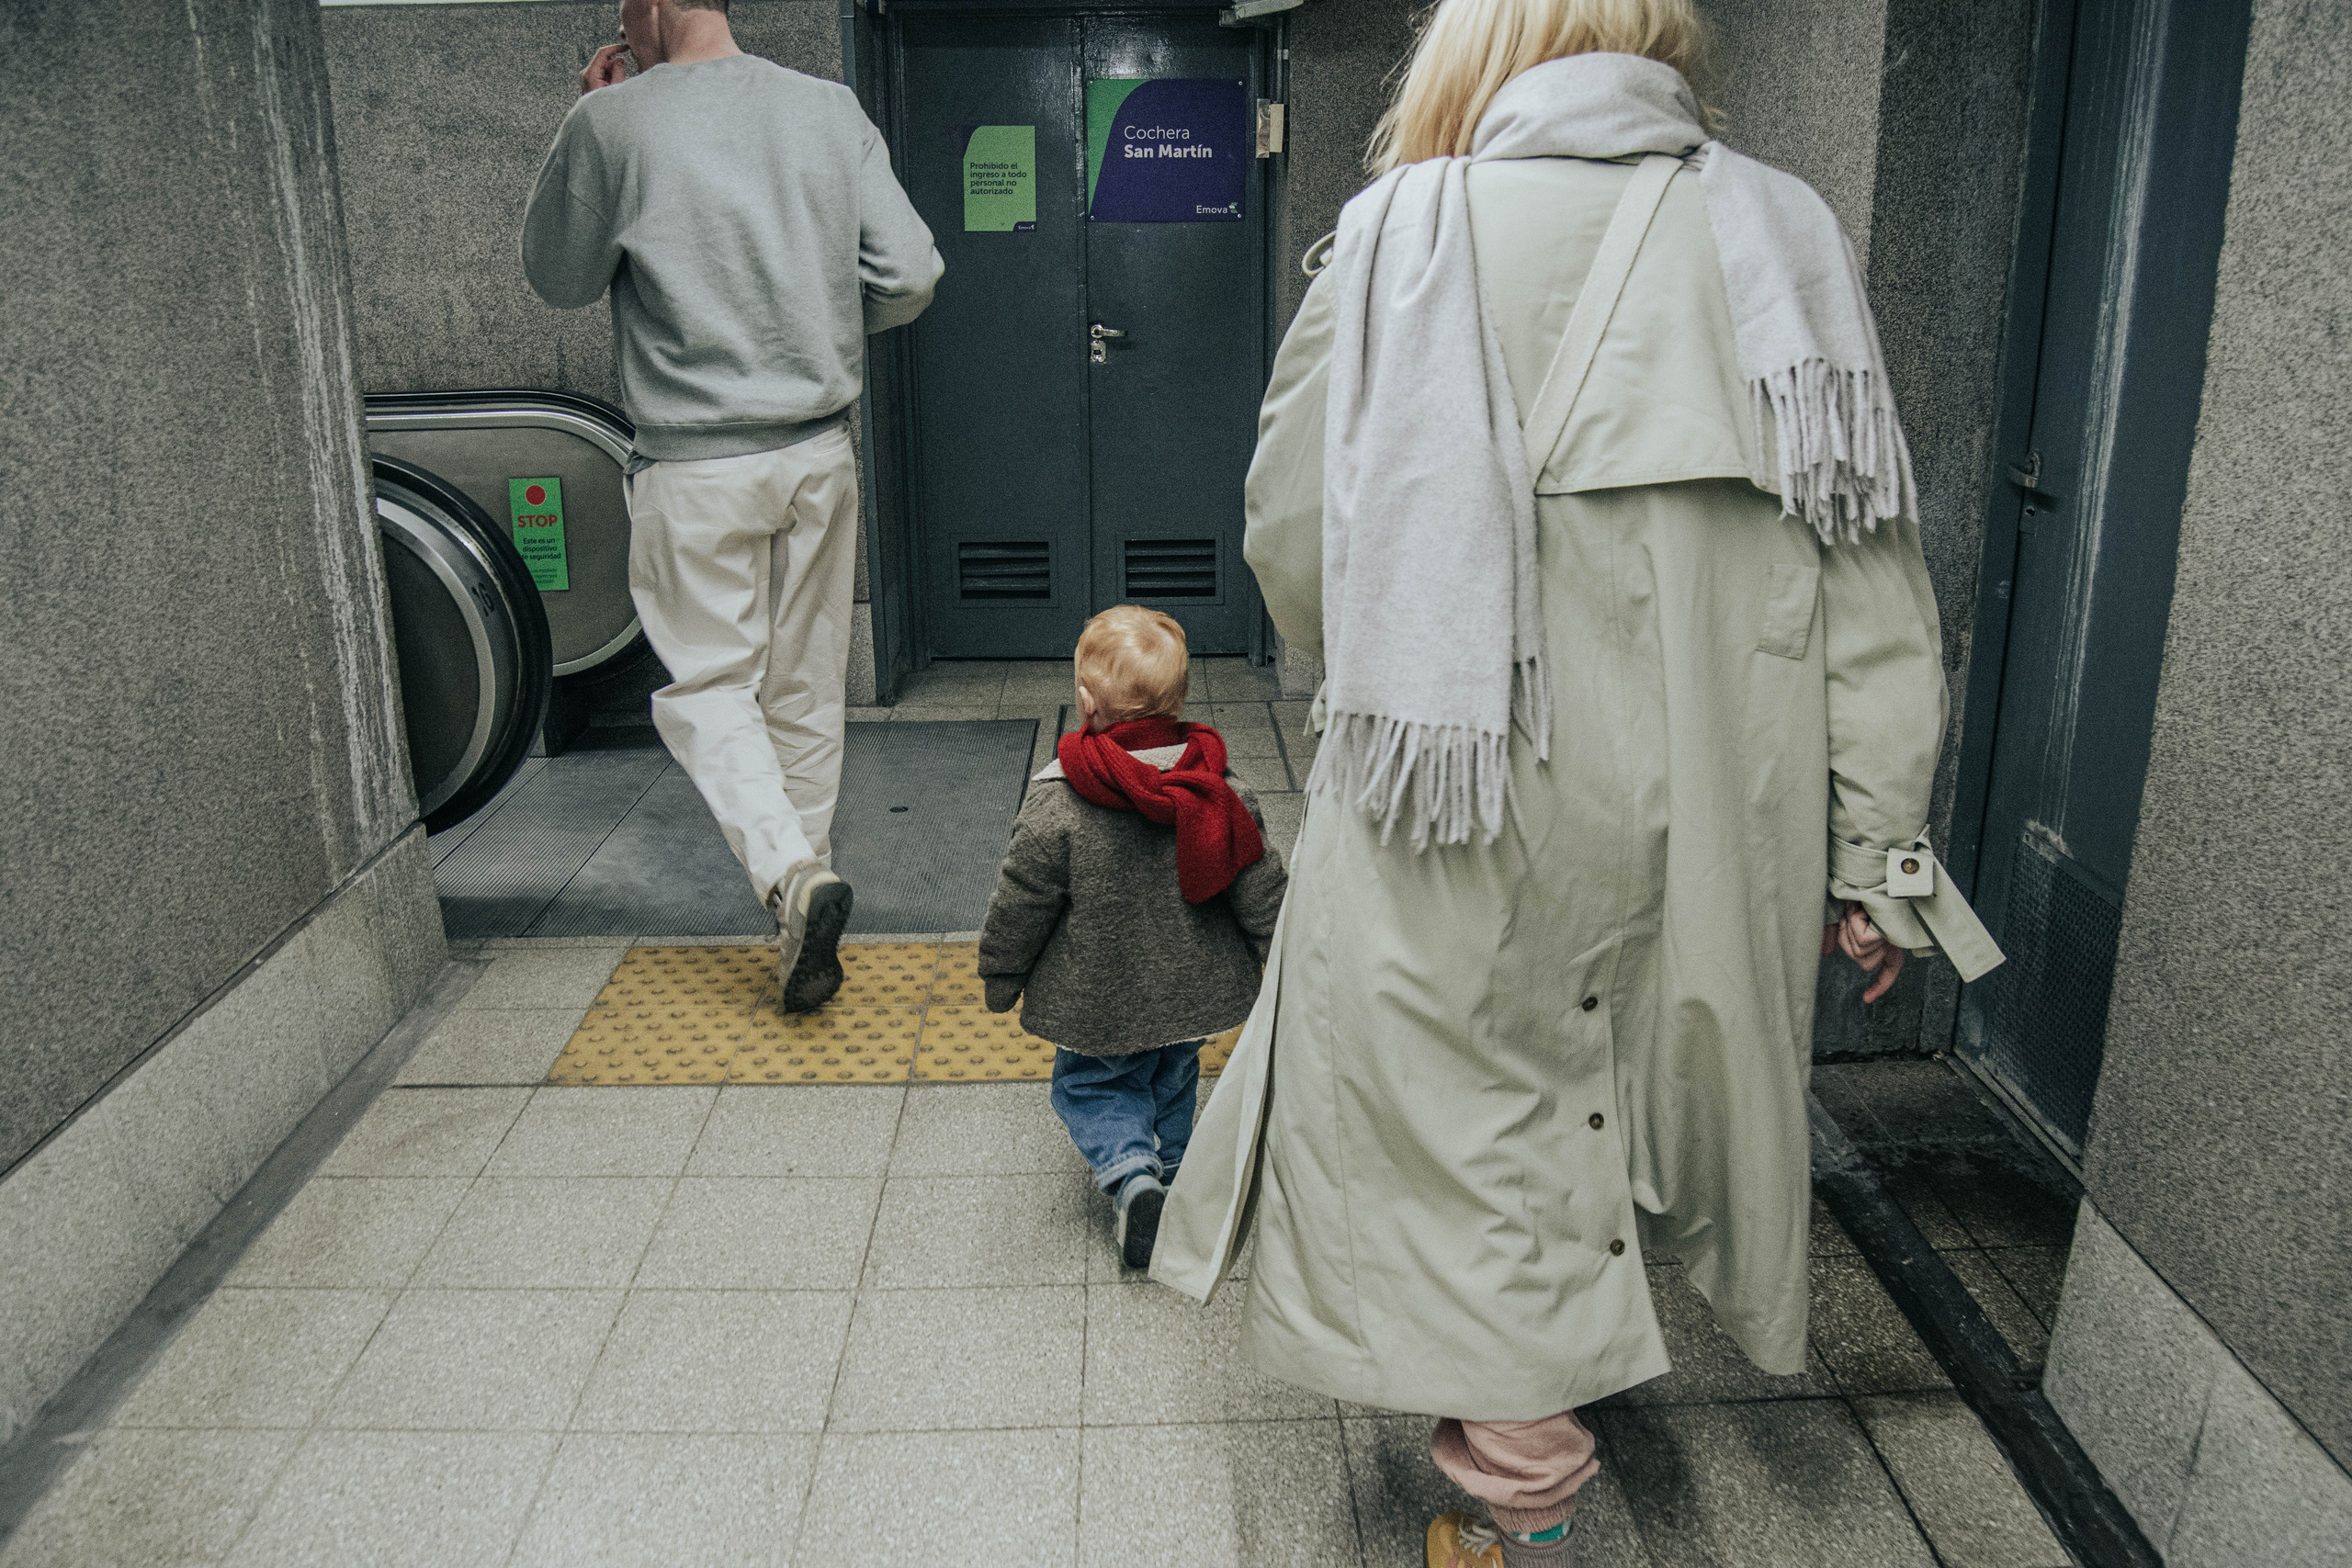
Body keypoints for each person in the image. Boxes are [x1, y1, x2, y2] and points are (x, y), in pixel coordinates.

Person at [1149, 1, 2005, 1564]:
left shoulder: (1404, 230)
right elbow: (1877, 576)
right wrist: (1877, 850)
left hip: (1449, 788)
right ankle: (1538, 1438)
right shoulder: (1783, 240)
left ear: (1479, 50)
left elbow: (1289, 533)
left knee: (1465, 1127)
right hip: (1712, 808)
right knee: (1613, 1104)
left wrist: (1413, 658)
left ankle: (1523, 1490)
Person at [522, 0, 943, 1011]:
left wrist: (588, 123)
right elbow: (913, 275)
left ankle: (794, 881)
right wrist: (825, 332)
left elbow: (557, 277)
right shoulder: (827, 109)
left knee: (710, 689)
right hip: (814, 452)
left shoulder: (612, 123)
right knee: (802, 691)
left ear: (653, 6)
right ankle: (805, 892)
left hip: (694, 464)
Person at [978, 607, 1289, 1269]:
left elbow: (1022, 898)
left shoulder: (1059, 801)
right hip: (1194, 992)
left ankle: (1132, 1176)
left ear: (1086, 702)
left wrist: (1002, 974)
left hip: (1099, 997)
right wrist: (1283, 955)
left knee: (1091, 1082)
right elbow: (1260, 882)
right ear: (1179, 699)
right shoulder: (1218, 785)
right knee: (1173, 1069)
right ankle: (1174, 1167)